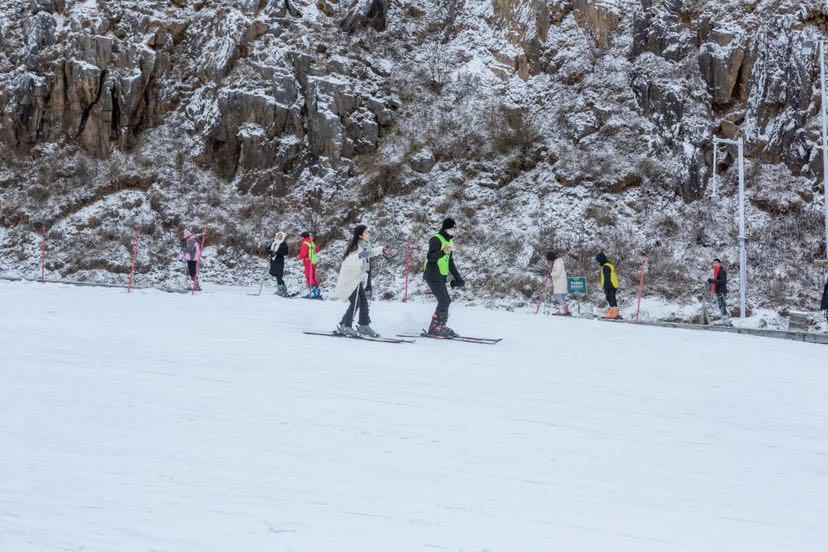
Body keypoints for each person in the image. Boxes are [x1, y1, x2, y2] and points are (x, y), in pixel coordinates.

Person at [333, 225, 390, 337]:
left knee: (363, 302)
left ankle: (364, 326)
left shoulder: (364, 246)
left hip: (356, 279)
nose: (368, 234)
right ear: (360, 235)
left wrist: (381, 249)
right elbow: (354, 259)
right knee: (356, 302)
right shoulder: (356, 247)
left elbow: (368, 253)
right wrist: (360, 270)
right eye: (366, 232)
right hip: (349, 280)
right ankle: (345, 326)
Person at [424, 217, 465, 336]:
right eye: (452, 228)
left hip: (441, 275)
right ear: (446, 228)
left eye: (454, 229)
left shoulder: (450, 242)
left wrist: (458, 278)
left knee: (446, 300)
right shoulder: (436, 239)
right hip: (432, 273)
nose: (453, 231)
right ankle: (437, 327)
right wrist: (443, 251)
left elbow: (450, 261)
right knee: (444, 300)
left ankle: (438, 326)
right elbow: (430, 257)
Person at [595, 252, 620, 319]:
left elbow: (607, 277)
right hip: (613, 284)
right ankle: (615, 313)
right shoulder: (608, 264)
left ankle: (613, 313)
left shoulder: (606, 266)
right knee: (612, 298)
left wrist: (606, 287)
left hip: (610, 285)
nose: (598, 262)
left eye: (598, 260)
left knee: (610, 298)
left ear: (601, 259)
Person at [297, 231, 321, 299]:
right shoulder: (311, 241)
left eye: (301, 237)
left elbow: (303, 254)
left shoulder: (305, 243)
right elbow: (316, 250)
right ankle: (317, 291)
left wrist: (298, 257)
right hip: (314, 261)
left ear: (303, 237)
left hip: (308, 261)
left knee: (309, 276)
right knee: (313, 276)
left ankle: (313, 292)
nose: (300, 238)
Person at [547, 251, 570, 316]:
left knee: (558, 296)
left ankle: (564, 309)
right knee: (561, 297)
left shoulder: (557, 263)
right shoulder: (558, 262)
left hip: (559, 283)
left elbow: (558, 272)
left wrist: (551, 274)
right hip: (561, 282)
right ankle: (564, 310)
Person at [268, 231, 289, 296]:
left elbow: (285, 252)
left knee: (278, 275)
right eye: (278, 235)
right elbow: (267, 248)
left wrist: (277, 252)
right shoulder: (273, 242)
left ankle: (282, 290)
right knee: (276, 275)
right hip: (273, 260)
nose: (279, 237)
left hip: (279, 261)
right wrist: (270, 252)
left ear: (282, 237)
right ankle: (282, 290)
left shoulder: (283, 243)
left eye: (281, 236)